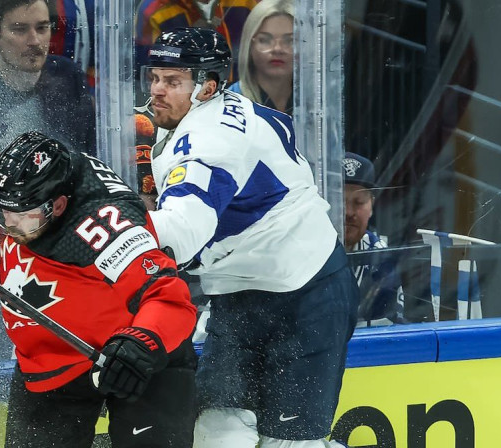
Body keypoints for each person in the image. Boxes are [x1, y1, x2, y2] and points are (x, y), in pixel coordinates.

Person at [0, 131, 198, 447]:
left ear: (58, 205)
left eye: (22, 218)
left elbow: (170, 296)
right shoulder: (16, 182)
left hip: (136, 361)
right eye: (1, 215)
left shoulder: (107, 228)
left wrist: (141, 344)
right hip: (53, 362)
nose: (9, 228)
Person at [141, 27, 357, 446]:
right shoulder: (224, 108)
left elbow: (182, 234)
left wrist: (120, 224)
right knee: (216, 433)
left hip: (308, 294)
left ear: (206, 87)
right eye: (154, 78)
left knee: (290, 443)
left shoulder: (208, 141)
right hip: (240, 296)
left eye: (172, 81)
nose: (157, 91)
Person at [0, 0, 96, 179]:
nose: (34, 41)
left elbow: (89, 158)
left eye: (42, 28)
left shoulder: (69, 77)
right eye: (20, 30)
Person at [343, 152, 405, 327]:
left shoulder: (381, 258)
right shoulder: (306, 251)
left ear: (371, 206)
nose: (348, 212)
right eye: (340, 201)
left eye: (359, 202)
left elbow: (389, 332)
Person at [135, 0, 258, 84]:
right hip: (181, 102)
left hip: (245, 97)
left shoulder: (251, 2)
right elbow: (147, 70)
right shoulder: (152, 9)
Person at [227, 0, 293, 115]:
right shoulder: (227, 105)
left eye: (290, 40)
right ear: (249, 45)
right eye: (265, 40)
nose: (277, 49)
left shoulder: (318, 104)